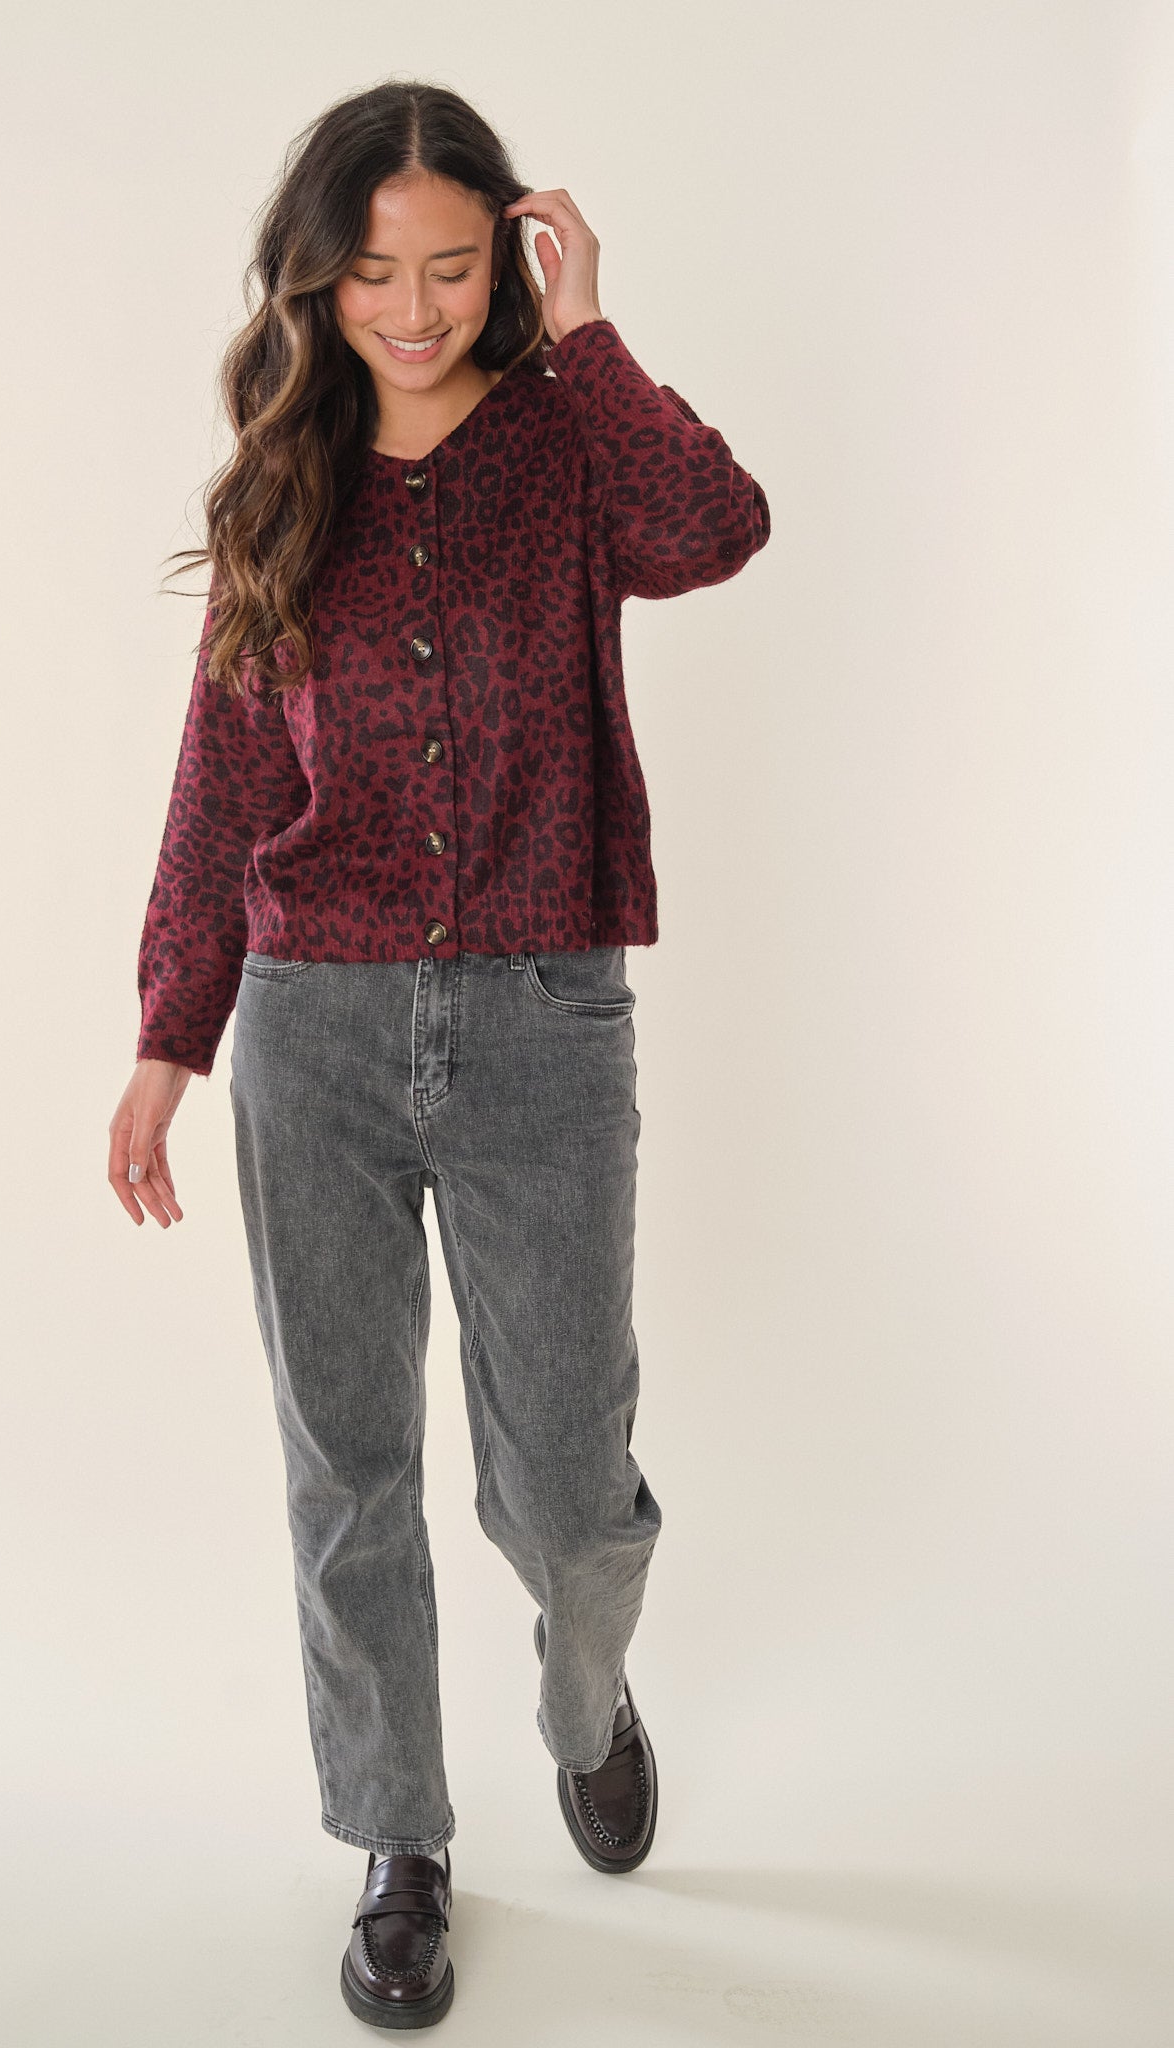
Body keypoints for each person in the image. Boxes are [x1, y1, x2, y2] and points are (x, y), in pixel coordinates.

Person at [107, 78, 770, 2031]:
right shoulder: (283, 479)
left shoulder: (566, 442)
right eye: (375, 274)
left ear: (509, 261)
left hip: (541, 1020)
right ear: (318, 279)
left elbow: (717, 527)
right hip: (307, 1030)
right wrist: (168, 1035)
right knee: (347, 1465)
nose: (412, 309)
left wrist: (594, 334)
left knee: (563, 1478)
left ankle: (587, 1698)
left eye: (454, 268)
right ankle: (398, 1839)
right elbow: (224, 777)